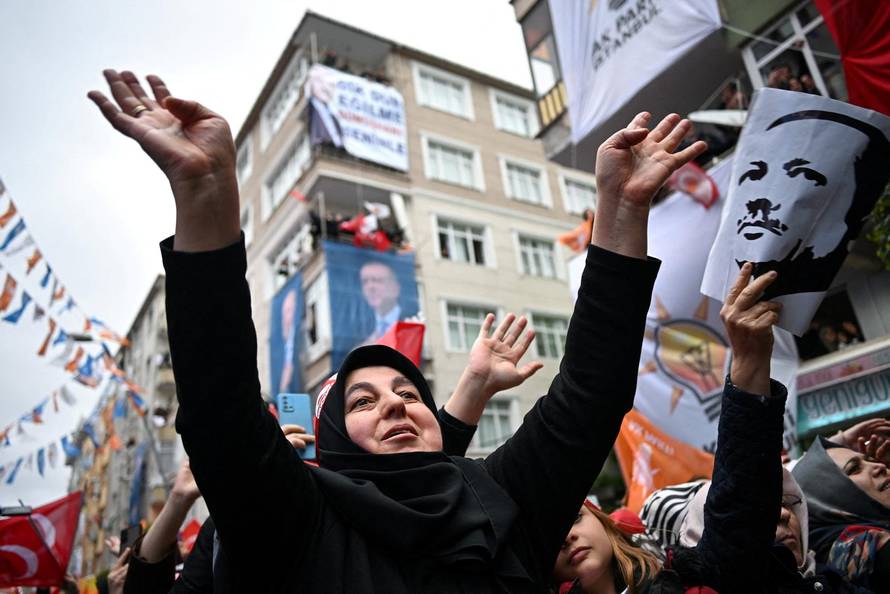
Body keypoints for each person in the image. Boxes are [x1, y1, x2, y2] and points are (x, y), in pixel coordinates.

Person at [89, 68, 705, 592]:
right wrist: (205, 195)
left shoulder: (501, 499)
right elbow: (220, 409)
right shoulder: (300, 521)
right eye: (363, 400)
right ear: (335, 439)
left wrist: (621, 215)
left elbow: (590, 394)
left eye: (409, 393)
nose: (395, 405)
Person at [792, 423, 890, 591]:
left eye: (870, 460)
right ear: (828, 496)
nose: (879, 466)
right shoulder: (861, 549)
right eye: (854, 469)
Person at [358, 259, 404, 343]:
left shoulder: (412, 321)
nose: (370, 287)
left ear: (395, 288)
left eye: (377, 280)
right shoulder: (360, 329)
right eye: (365, 282)